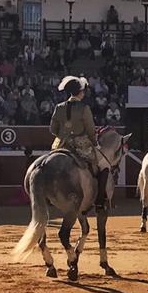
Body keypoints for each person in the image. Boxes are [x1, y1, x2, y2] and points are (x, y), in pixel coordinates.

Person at [49, 76, 105, 209]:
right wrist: (95, 143)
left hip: (60, 145)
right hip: (81, 145)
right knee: (102, 166)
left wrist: (63, 136)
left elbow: (52, 129)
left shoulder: (59, 107)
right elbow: (91, 131)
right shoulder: (84, 108)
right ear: (80, 92)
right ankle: (100, 199)